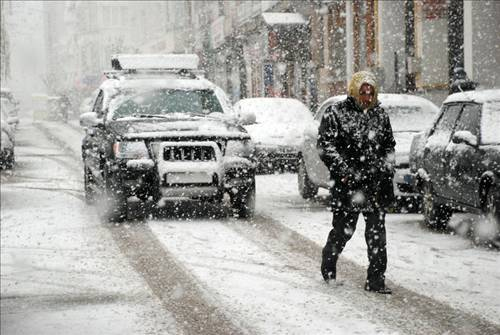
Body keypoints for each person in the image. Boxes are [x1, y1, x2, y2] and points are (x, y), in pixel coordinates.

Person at [317, 71, 396, 294]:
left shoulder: (381, 115)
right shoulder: (337, 113)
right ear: (353, 91)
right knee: (343, 231)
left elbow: (389, 145)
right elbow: (326, 146)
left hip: (376, 186)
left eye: (370, 92)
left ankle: (376, 280)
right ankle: (329, 269)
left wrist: (388, 167)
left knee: (377, 236)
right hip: (348, 186)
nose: (367, 97)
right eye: (363, 92)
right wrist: (344, 171)